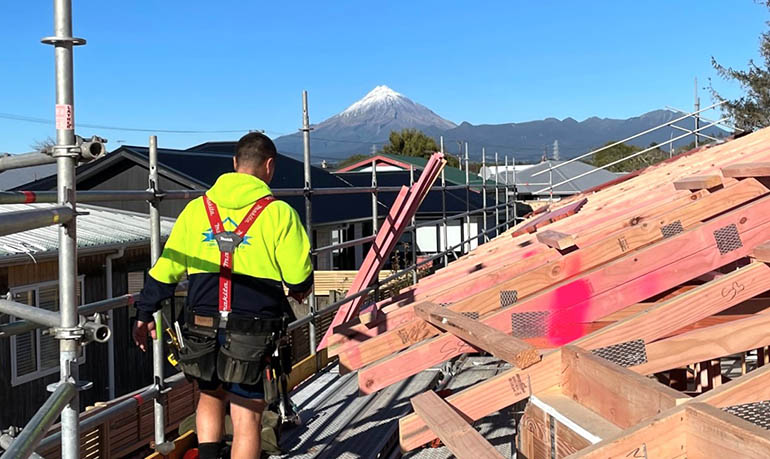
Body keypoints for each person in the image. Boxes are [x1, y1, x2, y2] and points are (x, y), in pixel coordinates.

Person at [133, 132, 313, 459]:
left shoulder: (195, 210)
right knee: (246, 416)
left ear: (234, 165)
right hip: (252, 330)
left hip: (200, 326)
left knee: (210, 396)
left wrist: (144, 312)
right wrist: (300, 289)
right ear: (269, 166)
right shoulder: (279, 214)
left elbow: (165, 271)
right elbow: (298, 276)